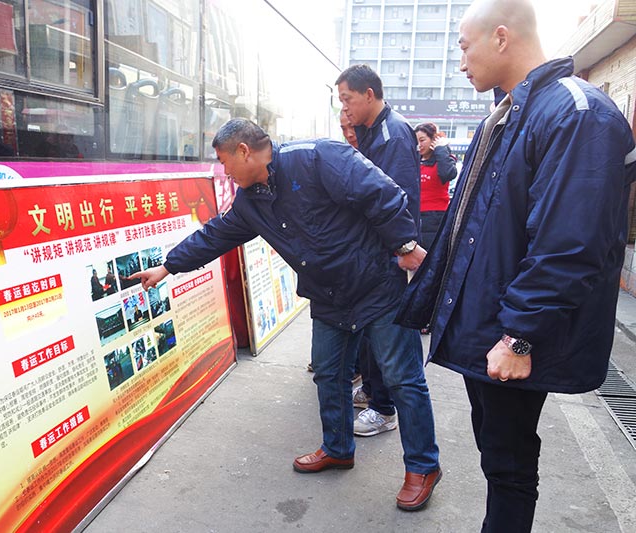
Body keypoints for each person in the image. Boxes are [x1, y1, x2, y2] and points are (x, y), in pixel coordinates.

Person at [396, 0, 636, 530]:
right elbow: (478, 224)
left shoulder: (575, 112)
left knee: (509, 465)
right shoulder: (510, 115)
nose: (461, 62)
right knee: (498, 454)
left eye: (464, 47)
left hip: (511, 331)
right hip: (491, 323)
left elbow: (570, 244)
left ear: (501, 37)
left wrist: (519, 337)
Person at [129, 118, 441, 511]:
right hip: (328, 296)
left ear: (244, 151)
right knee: (329, 374)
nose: (225, 172)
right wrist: (168, 266)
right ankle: (338, 448)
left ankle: (423, 467)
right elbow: (215, 235)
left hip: (377, 286)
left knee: (402, 379)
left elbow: (382, 193)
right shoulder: (250, 202)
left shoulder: (317, 157)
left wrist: (404, 244)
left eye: (225, 162)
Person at [336, 64, 421, 439]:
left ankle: (384, 409)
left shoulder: (392, 135)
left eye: (348, 99)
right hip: (372, 252)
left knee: (385, 338)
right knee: (371, 335)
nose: (345, 108)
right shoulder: (373, 132)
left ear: (369, 94)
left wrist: (400, 248)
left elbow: (397, 201)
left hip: (387, 255)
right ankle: (373, 392)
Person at [413, 122, 457, 250]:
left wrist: (441, 149)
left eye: (422, 140)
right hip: (415, 215)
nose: (419, 145)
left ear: (433, 139)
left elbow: (447, 174)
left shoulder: (443, 159)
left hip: (436, 217)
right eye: (417, 141)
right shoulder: (415, 161)